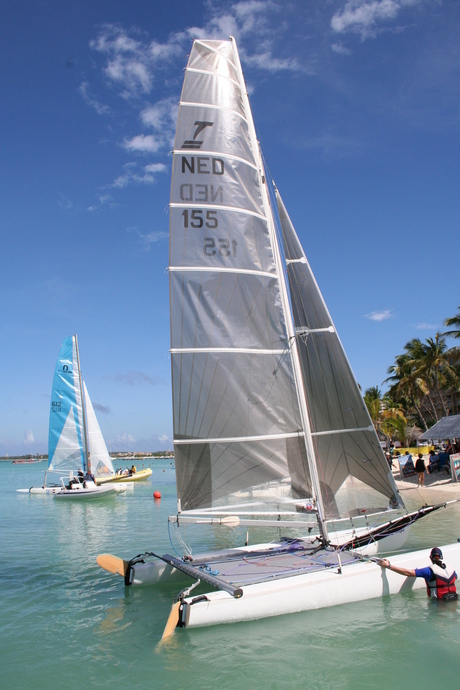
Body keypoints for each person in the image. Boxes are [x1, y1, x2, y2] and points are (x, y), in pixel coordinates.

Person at [379, 547, 458, 601]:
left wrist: (389, 566)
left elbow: (408, 573)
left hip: (438, 604)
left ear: (430, 558)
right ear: (442, 558)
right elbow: (455, 578)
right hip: (454, 599)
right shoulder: (451, 570)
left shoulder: (428, 571)